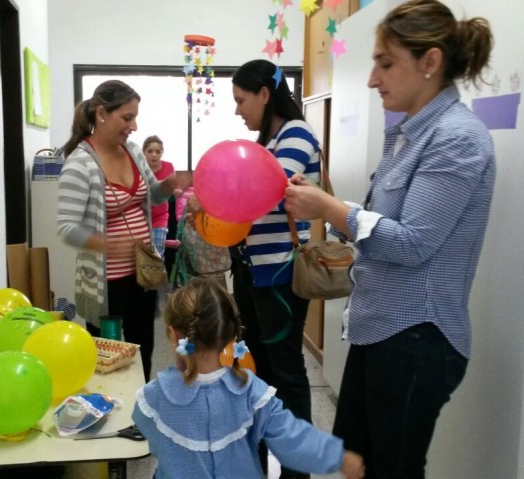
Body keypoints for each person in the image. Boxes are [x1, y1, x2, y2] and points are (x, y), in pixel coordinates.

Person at [284, 1, 496, 476]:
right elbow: (378, 229)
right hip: (380, 330)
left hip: (416, 339)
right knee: (356, 462)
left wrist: (331, 208)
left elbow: (412, 243)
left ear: (430, 62)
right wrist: (326, 205)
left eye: (385, 63)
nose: (372, 79)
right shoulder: (407, 135)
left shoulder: (457, 138)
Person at [192, 58, 321, 479]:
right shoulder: (268, 142)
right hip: (251, 270)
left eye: (241, 100)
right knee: (258, 371)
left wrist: (209, 200)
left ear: (266, 95)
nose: (237, 110)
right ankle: (260, 462)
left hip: (281, 274)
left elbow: (261, 195)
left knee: (286, 371)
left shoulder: (296, 135)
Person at [132, 277, 365, 479]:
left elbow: (144, 427)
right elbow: (293, 438)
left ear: (173, 335)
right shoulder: (251, 391)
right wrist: (339, 457)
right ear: (231, 334)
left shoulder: (154, 397)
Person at [56, 80, 185, 382]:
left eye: (135, 117)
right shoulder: (80, 164)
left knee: (143, 348)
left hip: (142, 273)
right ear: (101, 114)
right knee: (109, 358)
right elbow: (66, 227)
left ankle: (140, 405)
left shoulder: (133, 152)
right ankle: (111, 416)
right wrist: (104, 244)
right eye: (127, 118)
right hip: (105, 283)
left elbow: (151, 194)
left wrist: (166, 187)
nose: (134, 126)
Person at [142, 135, 175, 258]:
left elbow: (171, 189)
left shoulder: (169, 167)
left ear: (162, 153)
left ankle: (158, 277)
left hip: (160, 216)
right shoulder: (139, 167)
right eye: (150, 151)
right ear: (143, 152)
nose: (154, 155)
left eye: (158, 151)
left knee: (157, 254)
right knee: (142, 255)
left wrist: (174, 191)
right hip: (142, 216)